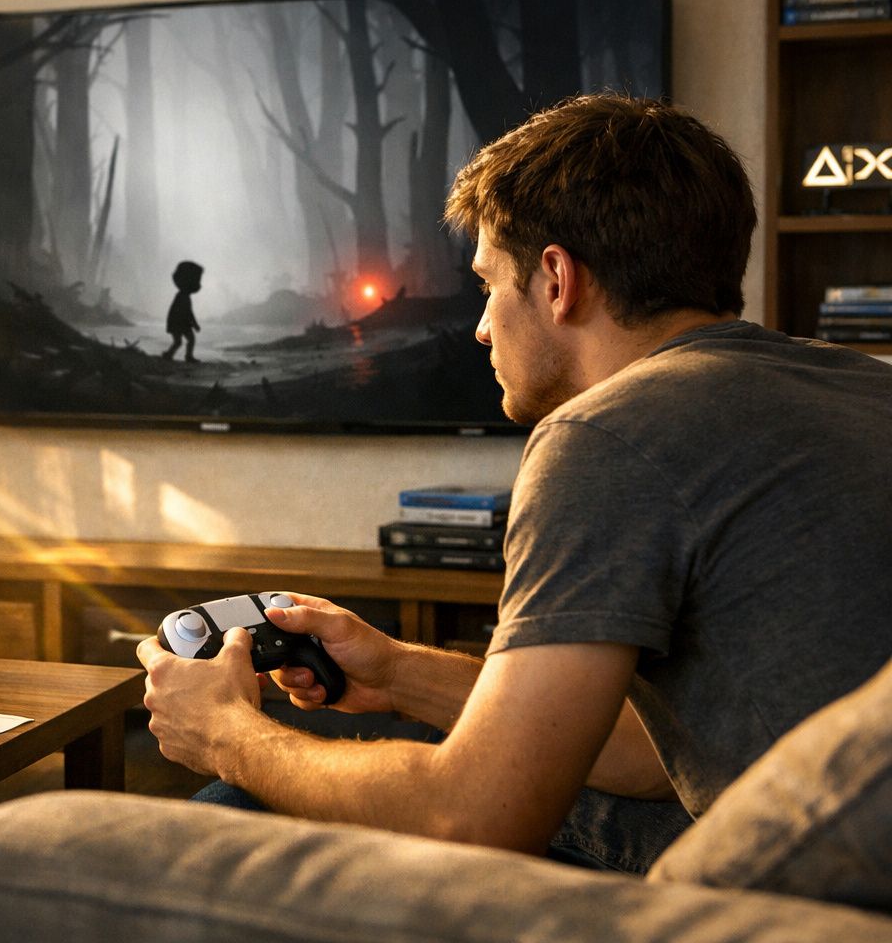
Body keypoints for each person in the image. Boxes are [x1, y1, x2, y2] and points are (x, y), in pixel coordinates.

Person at [136, 94, 892, 871]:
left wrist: (228, 735)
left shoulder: (608, 435)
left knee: (244, 802)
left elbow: (472, 820)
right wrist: (396, 671)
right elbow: (656, 755)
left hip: (796, 901)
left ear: (558, 279)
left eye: (488, 284)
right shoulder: (863, 386)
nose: (481, 326)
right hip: (830, 840)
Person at [161, 259, 203, 361]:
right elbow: (188, 313)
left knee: (180, 341)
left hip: (179, 323)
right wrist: (194, 324)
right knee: (186, 340)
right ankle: (183, 356)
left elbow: (188, 312)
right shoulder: (183, 296)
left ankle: (170, 355)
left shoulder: (182, 296)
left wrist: (193, 324)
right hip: (179, 323)